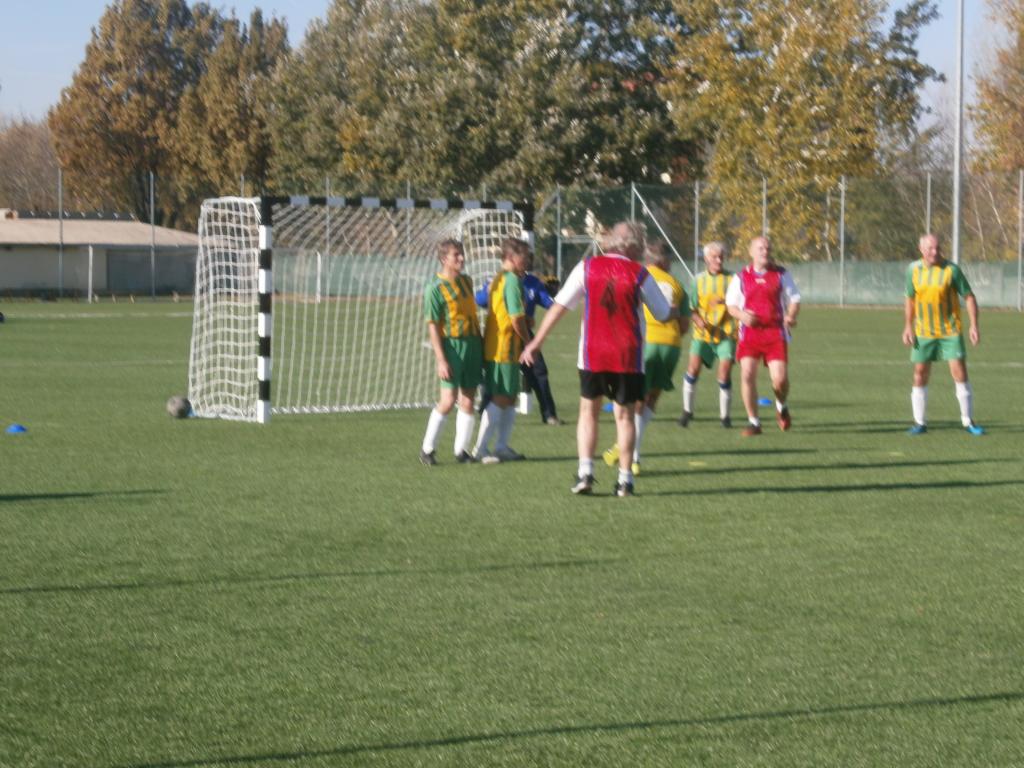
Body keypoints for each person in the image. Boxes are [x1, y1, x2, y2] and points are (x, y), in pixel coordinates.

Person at [520, 221, 672, 497]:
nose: (642, 249)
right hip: (628, 355)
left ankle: (585, 473)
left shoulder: (586, 267)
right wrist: (673, 305)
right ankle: (625, 481)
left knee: (588, 412)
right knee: (624, 417)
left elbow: (559, 306)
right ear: (630, 246)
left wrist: (536, 343)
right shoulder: (640, 273)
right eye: (640, 243)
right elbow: (662, 314)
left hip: (593, 352)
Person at [602, 239, 688, 474]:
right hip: (671, 345)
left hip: (644, 342)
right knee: (651, 399)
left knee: (634, 402)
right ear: (664, 261)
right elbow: (684, 325)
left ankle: (630, 455)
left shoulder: (637, 276)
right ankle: (632, 454)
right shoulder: (677, 284)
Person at [902, 233, 983, 435]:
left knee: (959, 373)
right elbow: (910, 299)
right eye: (930, 248)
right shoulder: (913, 269)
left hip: (950, 331)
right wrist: (908, 326)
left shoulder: (951, 270)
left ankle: (968, 421)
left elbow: (969, 297)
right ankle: (919, 423)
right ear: (921, 249)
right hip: (923, 332)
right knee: (919, 373)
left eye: (938, 248)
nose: (935, 252)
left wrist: (974, 325)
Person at [725, 236, 801, 436]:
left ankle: (781, 406)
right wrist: (743, 316)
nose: (765, 251)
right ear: (751, 252)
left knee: (780, 380)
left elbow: (794, 299)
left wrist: (791, 316)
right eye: (760, 248)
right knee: (747, 374)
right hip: (750, 334)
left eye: (767, 248)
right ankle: (754, 422)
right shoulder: (741, 277)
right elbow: (731, 305)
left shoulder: (781, 274)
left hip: (775, 333)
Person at [475, 254, 563, 425]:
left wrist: (555, 295)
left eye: (528, 258)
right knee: (498, 376)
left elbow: (550, 304)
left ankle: (549, 415)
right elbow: (480, 300)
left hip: (523, 334)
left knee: (538, 372)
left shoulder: (533, 282)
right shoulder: (498, 279)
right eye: (524, 258)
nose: (527, 261)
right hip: (501, 335)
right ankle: (484, 410)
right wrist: (488, 290)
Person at [420, 239, 483, 464]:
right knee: (448, 400)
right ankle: (427, 449)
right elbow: (433, 326)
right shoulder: (434, 288)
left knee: (469, 399)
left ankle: (461, 451)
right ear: (443, 259)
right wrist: (441, 359)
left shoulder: (466, 281)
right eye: (456, 255)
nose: (462, 258)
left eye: (462, 253)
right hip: (452, 348)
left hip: (473, 344)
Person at [472, 238, 532, 462]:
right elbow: (515, 318)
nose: (527, 261)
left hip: (499, 345)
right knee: (500, 397)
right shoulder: (512, 280)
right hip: (503, 347)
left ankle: (501, 446)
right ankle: (481, 449)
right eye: (524, 257)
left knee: (510, 396)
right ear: (511, 257)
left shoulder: (499, 277)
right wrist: (529, 341)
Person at [679, 241, 736, 428]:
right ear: (706, 259)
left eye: (721, 257)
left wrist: (725, 302)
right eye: (714, 257)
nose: (719, 260)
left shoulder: (732, 279)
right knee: (693, 369)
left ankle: (725, 418)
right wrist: (698, 320)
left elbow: (740, 303)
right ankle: (687, 412)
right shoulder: (698, 280)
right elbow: (691, 307)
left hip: (726, 334)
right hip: (702, 335)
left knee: (724, 373)